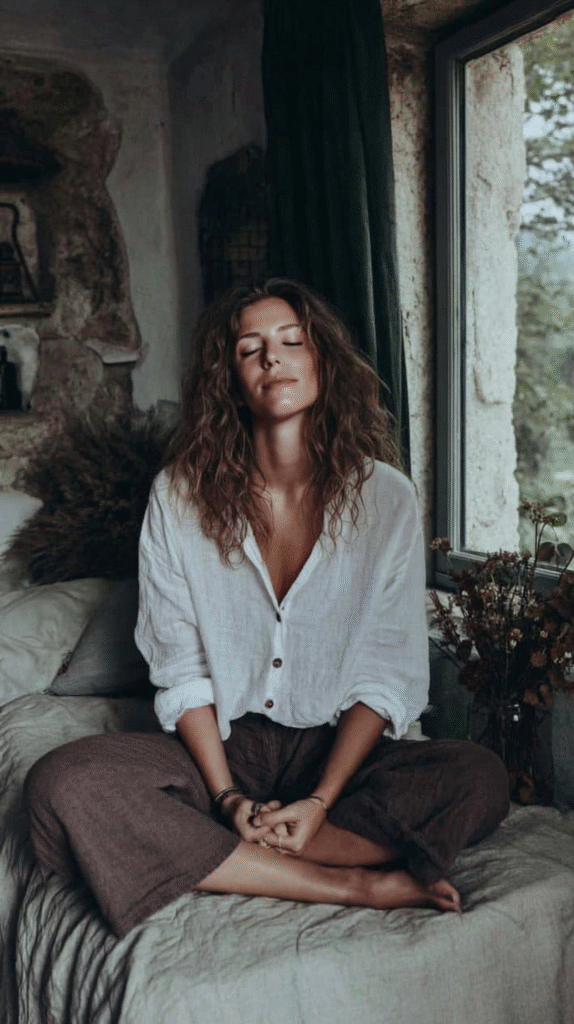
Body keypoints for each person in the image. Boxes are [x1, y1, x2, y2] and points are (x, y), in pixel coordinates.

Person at [25, 278, 509, 938]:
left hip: (336, 752)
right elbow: (183, 665)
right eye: (249, 348)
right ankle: (348, 882)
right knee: (63, 783)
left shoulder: (386, 498)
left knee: (479, 777)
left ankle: (213, 852)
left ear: (321, 362)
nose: (271, 358)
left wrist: (318, 801)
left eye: (291, 341)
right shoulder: (179, 495)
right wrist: (225, 799)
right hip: (223, 748)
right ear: (229, 378)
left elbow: (384, 672)